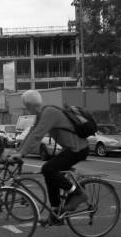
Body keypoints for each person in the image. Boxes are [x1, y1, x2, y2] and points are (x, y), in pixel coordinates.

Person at [12, 90, 89, 224]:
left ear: (30, 105)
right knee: (49, 175)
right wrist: (18, 152)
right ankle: (56, 213)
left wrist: (21, 154)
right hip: (71, 149)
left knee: (48, 169)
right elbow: (32, 133)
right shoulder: (41, 114)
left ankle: (77, 193)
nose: (25, 109)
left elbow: (37, 136)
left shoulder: (49, 113)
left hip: (78, 149)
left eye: (25, 106)